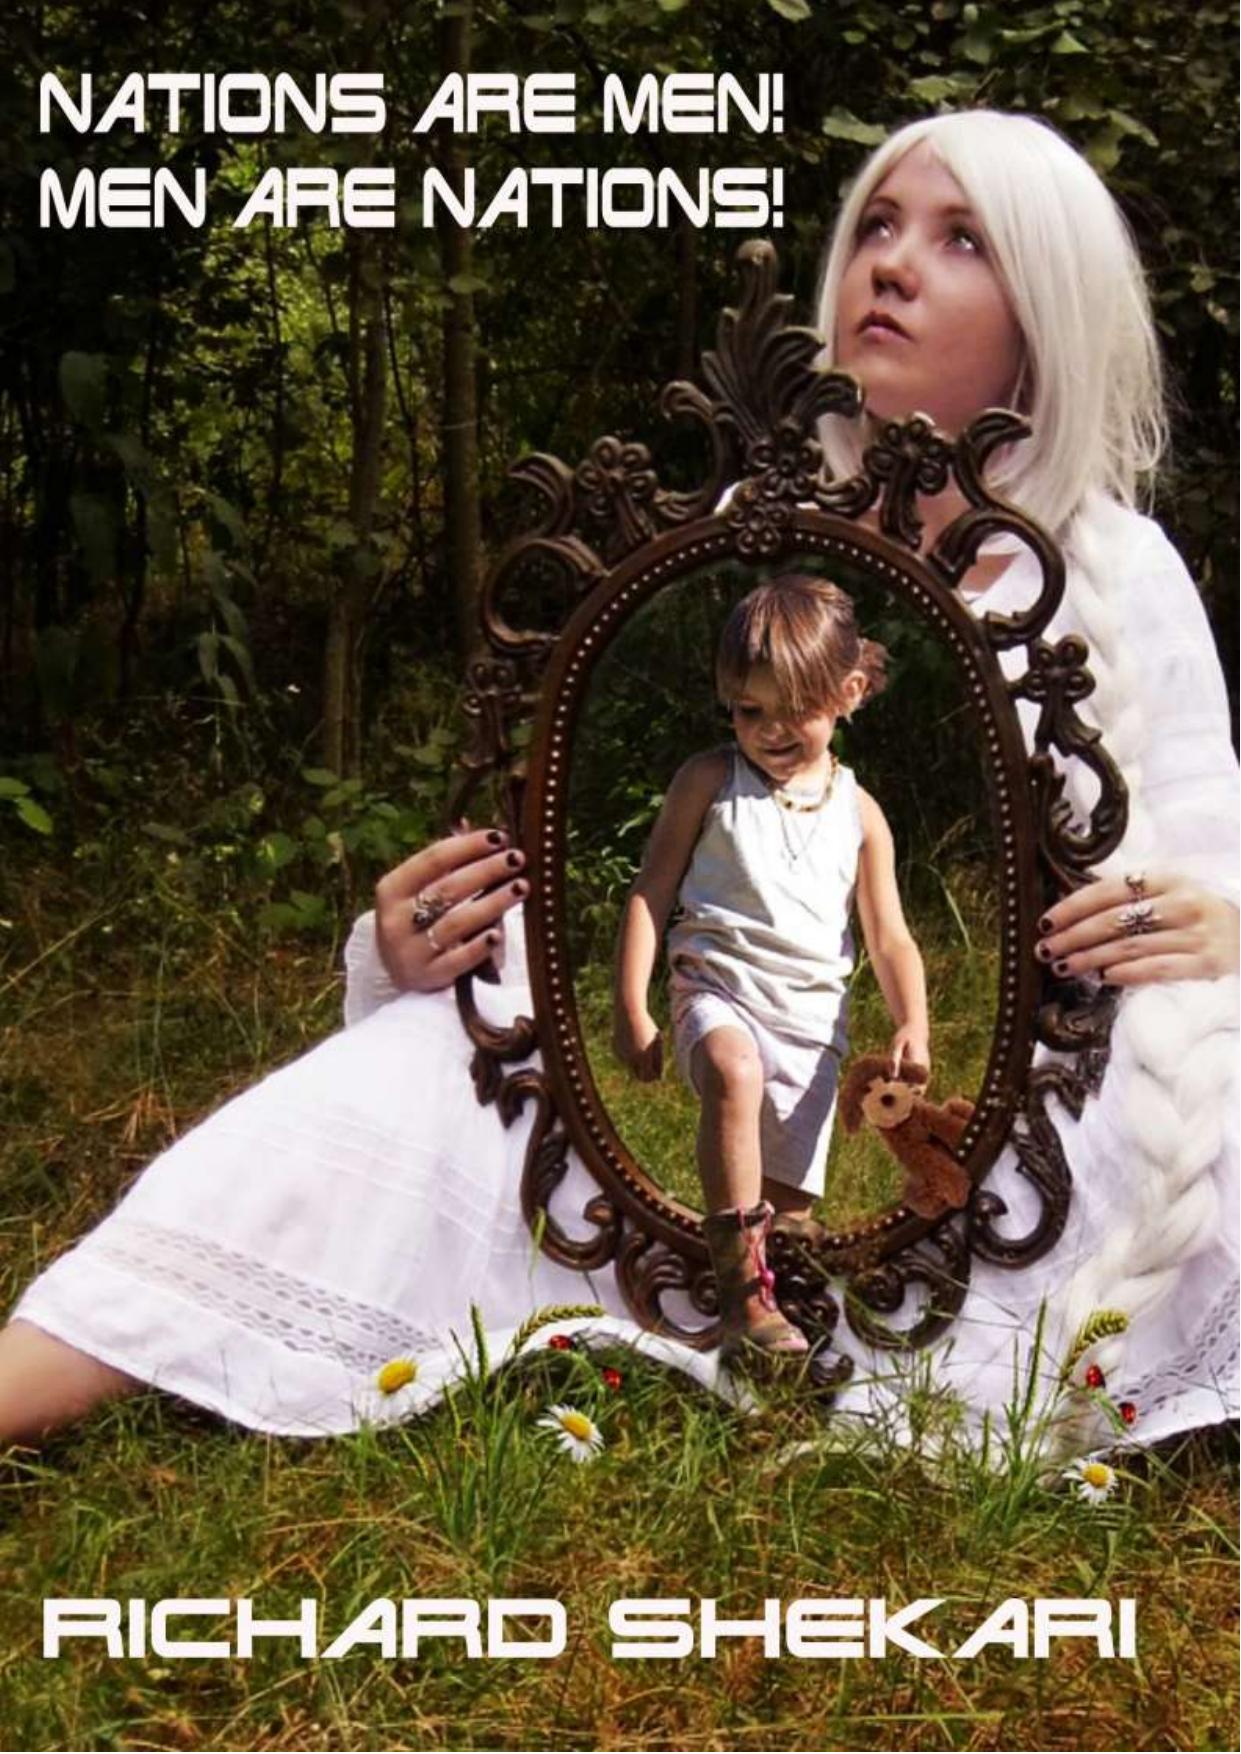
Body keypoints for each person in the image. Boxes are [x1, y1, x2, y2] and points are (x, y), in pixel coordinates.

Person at [0, 109, 1236, 1454]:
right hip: (672, 1114)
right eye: (876, 226)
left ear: (1045, 307)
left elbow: (1205, 857)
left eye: (961, 241)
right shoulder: (731, 543)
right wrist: (417, 941)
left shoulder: (1116, 574)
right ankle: (40, 1369)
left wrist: (1219, 920)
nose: (888, 264)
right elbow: (591, 840)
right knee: (427, 1065)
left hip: (1050, 1125)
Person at [611, 575, 928, 1360]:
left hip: (811, 1025)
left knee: (782, 1219)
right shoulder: (709, 781)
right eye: (748, 711)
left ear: (848, 693)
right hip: (717, 990)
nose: (770, 731)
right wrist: (631, 1005)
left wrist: (912, 1022)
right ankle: (739, 1296)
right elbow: (651, 889)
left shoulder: (860, 814)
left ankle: (769, 1339)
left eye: (795, 710)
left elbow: (888, 936)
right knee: (733, 1069)